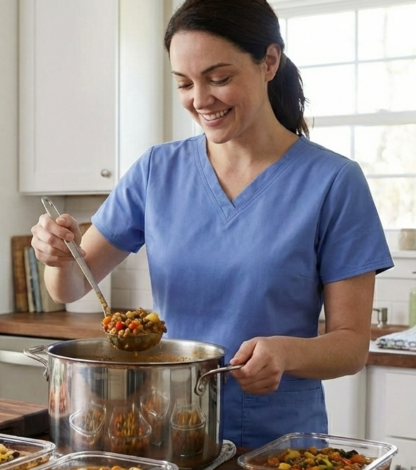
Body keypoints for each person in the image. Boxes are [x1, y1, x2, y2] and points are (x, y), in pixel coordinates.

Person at [30, 0, 393, 449]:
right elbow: (68, 287)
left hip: (276, 445)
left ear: (269, 62)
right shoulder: (156, 171)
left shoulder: (334, 181)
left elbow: (352, 345)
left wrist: (286, 352)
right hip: (168, 433)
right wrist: (57, 255)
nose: (200, 100)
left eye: (219, 78)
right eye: (184, 83)